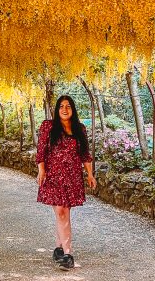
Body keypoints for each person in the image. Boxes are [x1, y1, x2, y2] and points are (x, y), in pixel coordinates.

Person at [36, 95, 96, 270]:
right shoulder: (48, 126)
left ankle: (60, 249)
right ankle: (68, 255)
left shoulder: (80, 129)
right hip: (53, 176)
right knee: (61, 212)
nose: (64, 109)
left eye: (68, 106)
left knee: (62, 213)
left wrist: (90, 175)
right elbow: (41, 151)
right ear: (57, 109)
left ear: (73, 109)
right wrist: (41, 170)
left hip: (72, 177)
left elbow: (85, 155)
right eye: (61, 106)